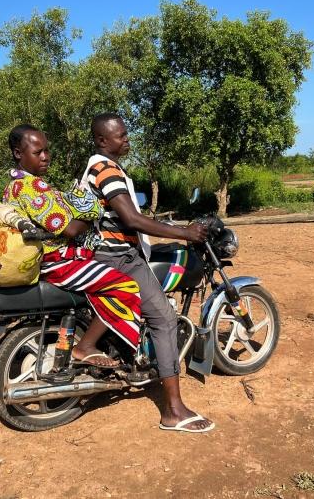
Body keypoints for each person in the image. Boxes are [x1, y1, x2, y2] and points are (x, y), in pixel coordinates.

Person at [82, 112, 214, 433]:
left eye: (126, 134)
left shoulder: (96, 167)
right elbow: (131, 219)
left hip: (102, 255)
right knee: (164, 319)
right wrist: (184, 233)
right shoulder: (105, 168)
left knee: (138, 310)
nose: (127, 139)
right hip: (118, 258)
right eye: (120, 135)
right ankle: (174, 411)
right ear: (102, 141)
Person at [3, 124, 142, 367]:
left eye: (47, 150)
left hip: (51, 259)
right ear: (18, 153)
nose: (45, 157)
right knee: (126, 285)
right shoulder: (31, 186)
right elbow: (70, 228)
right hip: (57, 262)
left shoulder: (14, 185)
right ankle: (85, 346)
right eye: (38, 152)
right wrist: (91, 214)